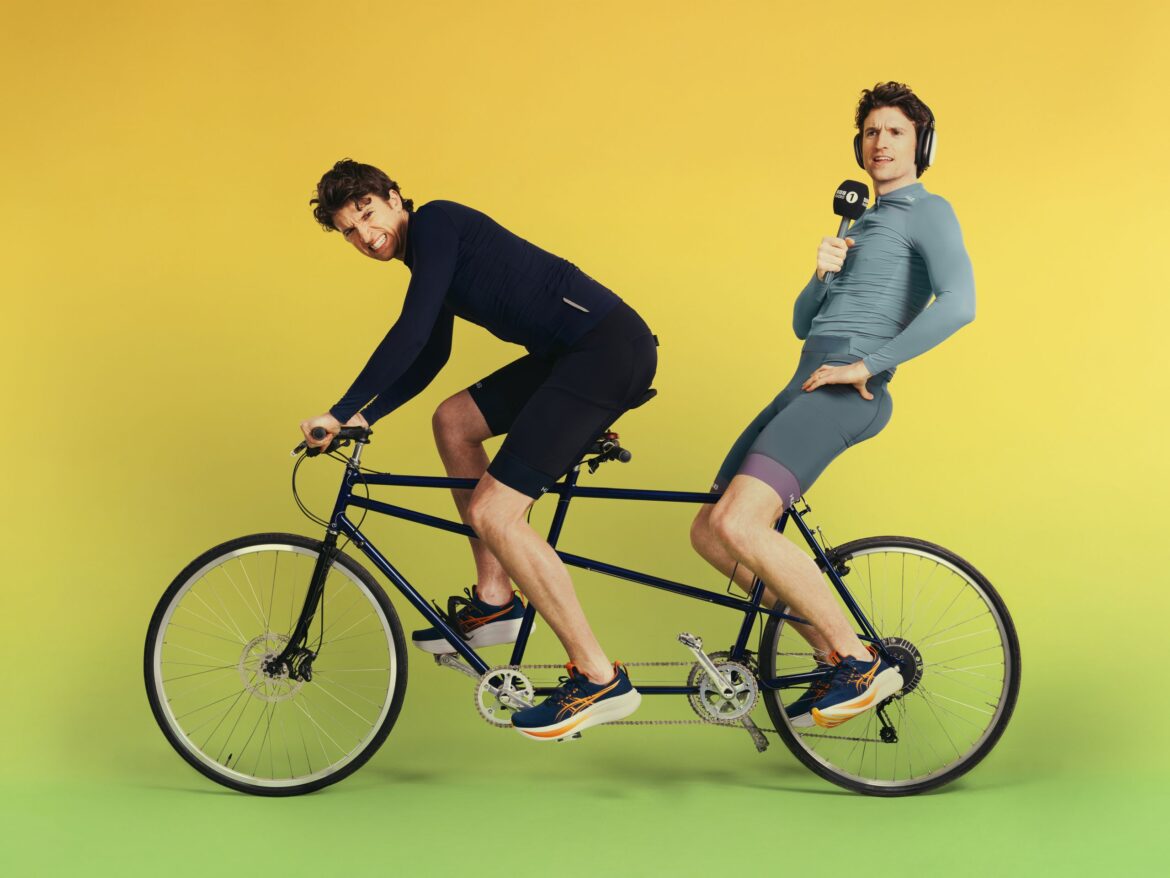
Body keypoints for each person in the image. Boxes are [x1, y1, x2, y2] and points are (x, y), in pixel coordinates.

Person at [299, 161, 654, 739]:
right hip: (568, 358)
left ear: (395, 199)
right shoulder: (427, 258)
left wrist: (339, 410)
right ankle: (495, 600)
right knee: (453, 421)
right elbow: (431, 355)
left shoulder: (437, 223)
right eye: (349, 231)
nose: (365, 235)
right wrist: (364, 418)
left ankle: (599, 677)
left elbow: (412, 331)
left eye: (368, 214)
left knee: (496, 513)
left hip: (605, 351)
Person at [689, 82, 975, 729]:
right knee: (710, 532)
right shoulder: (861, 223)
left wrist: (868, 364)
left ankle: (859, 661)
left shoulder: (929, 212)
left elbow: (961, 303)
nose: (880, 143)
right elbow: (801, 323)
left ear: (921, 146)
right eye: (871, 132)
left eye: (895, 132)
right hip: (804, 379)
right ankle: (828, 653)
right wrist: (821, 272)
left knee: (742, 523)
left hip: (846, 391)